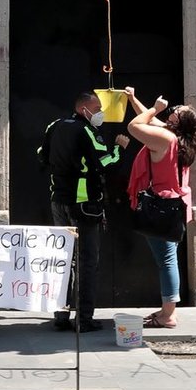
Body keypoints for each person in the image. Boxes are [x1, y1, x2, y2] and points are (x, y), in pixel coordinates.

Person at [38, 91, 129, 332]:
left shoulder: (54, 126)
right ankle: (84, 319)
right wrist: (119, 149)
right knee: (87, 263)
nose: (100, 112)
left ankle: (60, 315)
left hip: (58, 201)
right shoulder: (88, 131)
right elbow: (105, 163)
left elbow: (41, 156)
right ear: (83, 109)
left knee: (61, 259)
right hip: (84, 206)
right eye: (96, 107)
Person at [124, 87, 196, 330]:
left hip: (162, 206)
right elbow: (149, 120)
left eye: (178, 110)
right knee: (167, 258)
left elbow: (135, 127)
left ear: (179, 120)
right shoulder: (174, 137)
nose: (174, 109)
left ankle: (168, 314)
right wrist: (133, 99)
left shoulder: (166, 139)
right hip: (174, 206)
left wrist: (155, 108)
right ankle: (166, 309)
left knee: (167, 260)